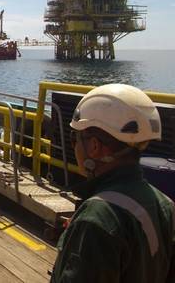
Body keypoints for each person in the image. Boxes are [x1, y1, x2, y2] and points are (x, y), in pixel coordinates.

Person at [51, 84, 175, 282]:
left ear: (93, 146)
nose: (73, 146)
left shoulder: (96, 219)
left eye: (75, 138)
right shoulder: (166, 205)